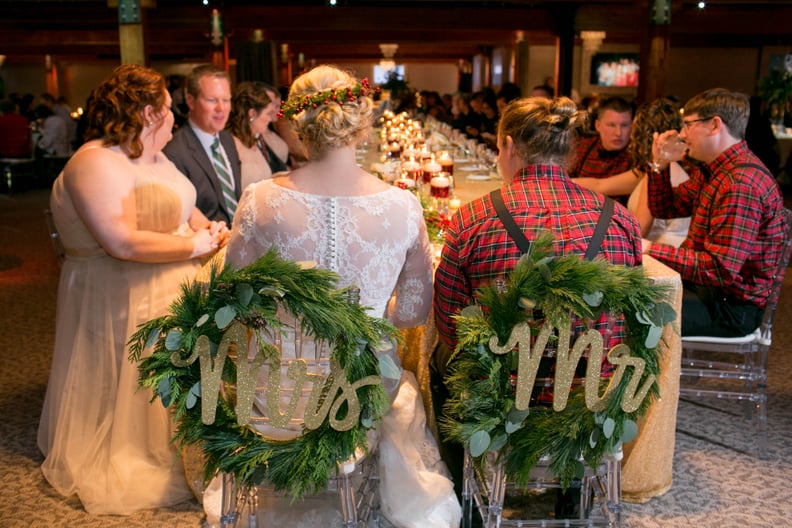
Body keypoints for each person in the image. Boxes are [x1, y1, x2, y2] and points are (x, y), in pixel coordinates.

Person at [221, 64, 461, 528]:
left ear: (297, 124)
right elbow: (412, 315)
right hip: (360, 390)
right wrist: (367, 313)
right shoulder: (402, 206)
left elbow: (236, 296)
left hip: (275, 388)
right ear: (362, 122)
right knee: (394, 372)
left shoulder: (258, 200)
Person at [37, 64, 229, 515]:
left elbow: (183, 205)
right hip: (116, 292)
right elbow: (119, 242)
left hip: (168, 281)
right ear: (147, 112)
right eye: (167, 108)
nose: (174, 117)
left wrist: (208, 228)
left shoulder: (154, 156)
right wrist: (192, 245)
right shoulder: (94, 162)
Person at [432, 96, 642, 502]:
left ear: (508, 146)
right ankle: (573, 484)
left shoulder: (474, 219)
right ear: (569, 151)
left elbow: (451, 326)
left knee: (440, 360)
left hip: (501, 393)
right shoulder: (618, 220)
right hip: (590, 394)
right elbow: (630, 321)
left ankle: (467, 489)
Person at [645, 88, 786, 337]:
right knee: (631, 292)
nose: (682, 134)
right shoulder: (717, 170)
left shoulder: (740, 183)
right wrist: (660, 164)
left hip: (730, 308)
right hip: (709, 291)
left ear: (714, 125)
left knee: (637, 311)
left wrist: (648, 248)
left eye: (688, 125)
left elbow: (719, 269)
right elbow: (665, 208)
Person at [164, 64, 242, 226]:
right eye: (212, 100)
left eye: (226, 100)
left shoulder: (227, 140)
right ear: (191, 101)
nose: (221, 108)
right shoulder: (174, 152)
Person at [568, 96, 634, 192]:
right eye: (611, 125)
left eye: (624, 125)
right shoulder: (583, 147)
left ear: (632, 126)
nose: (618, 133)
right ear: (598, 126)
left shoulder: (637, 155)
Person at [226, 81, 281, 190]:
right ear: (252, 114)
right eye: (268, 114)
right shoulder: (232, 145)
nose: (270, 119)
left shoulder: (256, 142)